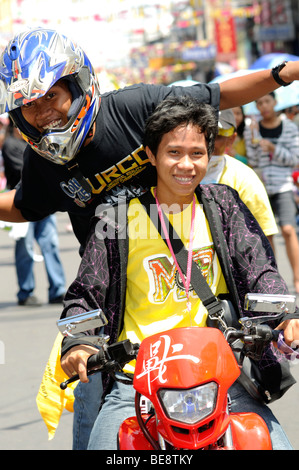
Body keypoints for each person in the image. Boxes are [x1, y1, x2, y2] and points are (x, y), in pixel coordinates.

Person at [60, 96, 299, 450]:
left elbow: (260, 270)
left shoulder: (224, 205)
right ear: (151, 155)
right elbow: (86, 292)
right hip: (136, 385)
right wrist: (78, 342)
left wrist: (283, 317)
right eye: (174, 153)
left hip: (220, 378)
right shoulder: (117, 219)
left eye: (197, 153)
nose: (186, 165)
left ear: (208, 155)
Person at [1, 29, 299, 256]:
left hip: (192, 264)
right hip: (115, 290)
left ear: (77, 85)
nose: (42, 112)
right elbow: (25, 204)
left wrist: (282, 74)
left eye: (51, 96)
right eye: (29, 105)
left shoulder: (135, 107)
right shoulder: (42, 160)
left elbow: (217, 95)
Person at [2, 119, 66, 305]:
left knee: (51, 245)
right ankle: (25, 291)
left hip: (44, 201)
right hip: (20, 202)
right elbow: (23, 171)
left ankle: (57, 289)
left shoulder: (34, 143)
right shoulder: (11, 145)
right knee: (25, 249)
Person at [244, 92, 299, 294]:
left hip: (283, 186)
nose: (263, 105)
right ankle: (275, 279)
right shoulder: (254, 130)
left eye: (267, 101)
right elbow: (254, 161)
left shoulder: (289, 128)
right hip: (262, 187)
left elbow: (295, 159)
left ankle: (297, 278)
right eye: (259, 102)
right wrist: (253, 140)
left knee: (288, 229)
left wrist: (273, 148)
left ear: (275, 102)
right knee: (268, 234)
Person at [201, 108, 278, 247]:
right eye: (203, 134)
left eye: (217, 136)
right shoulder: (173, 173)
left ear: (231, 139)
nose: (207, 143)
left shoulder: (245, 179)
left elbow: (265, 237)